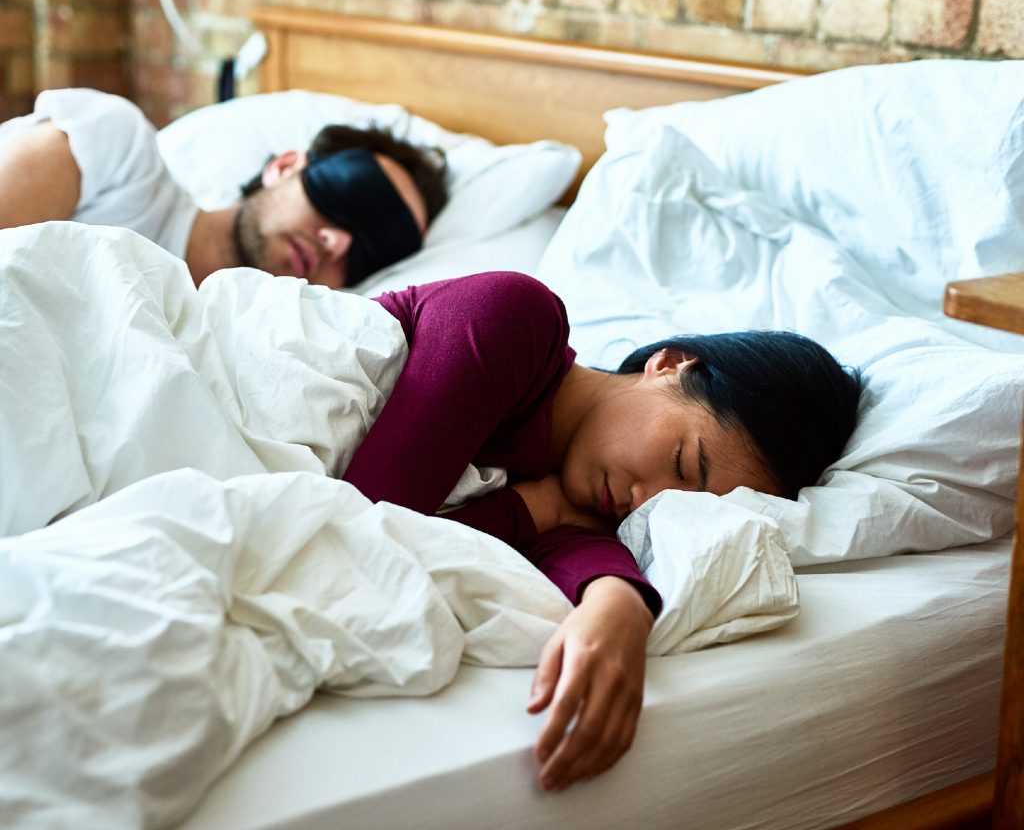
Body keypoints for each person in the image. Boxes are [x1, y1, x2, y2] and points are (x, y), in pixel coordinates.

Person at [343, 270, 863, 793]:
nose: (645, 500)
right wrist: (531, 506)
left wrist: (622, 603)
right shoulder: (514, 317)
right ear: (670, 366)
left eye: (677, 503)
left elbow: (582, 551)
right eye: (683, 462)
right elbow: (358, 537)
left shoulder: (591, 499)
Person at [0, 88, 448, 288]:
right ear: (285, 165)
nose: (340, 241)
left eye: (375, 249)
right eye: (349, 196)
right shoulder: (117, 154)